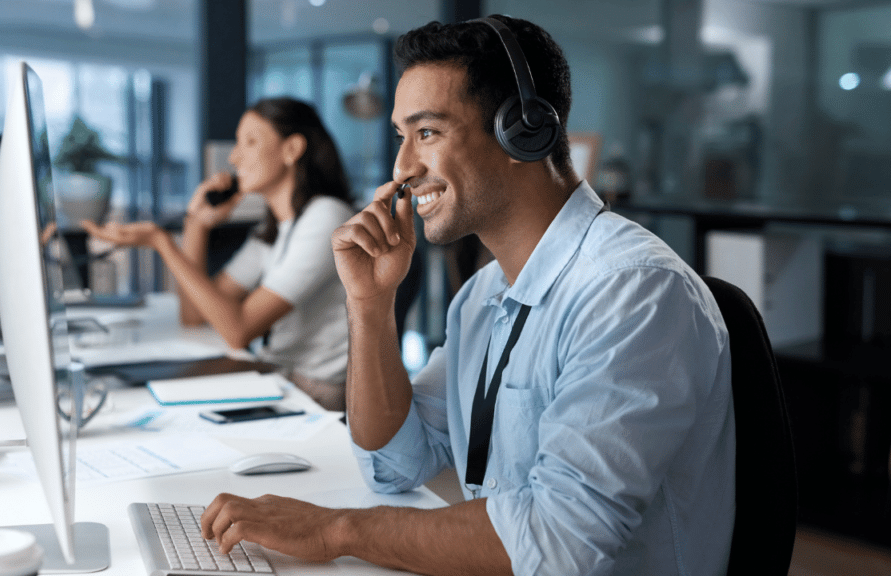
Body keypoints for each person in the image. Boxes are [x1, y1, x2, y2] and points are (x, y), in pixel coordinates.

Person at [198, 15, 735, 575]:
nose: (402, 168)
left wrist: (336, 529)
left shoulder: (632, 292)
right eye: (401, 138)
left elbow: (556, 542)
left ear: (523, 132)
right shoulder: (482, 296)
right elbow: (394, 463)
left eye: (427, 133)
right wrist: (369, 305)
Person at [82, 97, 355, 411]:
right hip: (278, 375)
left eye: (250, 142)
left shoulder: (326, 218)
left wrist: (163, 243)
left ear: (291, 149)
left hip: (315, 391)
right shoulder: (275, 227)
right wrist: (197, 225)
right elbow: (196, 315)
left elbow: (237, 330)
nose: (236, 158)